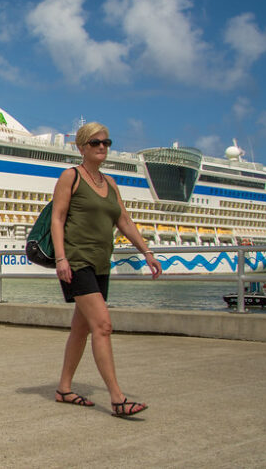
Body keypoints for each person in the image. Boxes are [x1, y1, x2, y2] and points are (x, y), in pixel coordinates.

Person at [51, 122, 162, 418]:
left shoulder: (110, 183)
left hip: (101, 263)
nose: (102, 147)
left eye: (106, 142)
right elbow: (57, 218)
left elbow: (123, 220)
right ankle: (117, 398)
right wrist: (61, 259)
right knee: (103, 326)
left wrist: (147, 252)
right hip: (77, 261)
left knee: (82, 328)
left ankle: (64, 388)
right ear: (81, 147)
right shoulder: (71, 177)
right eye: (95, 143)